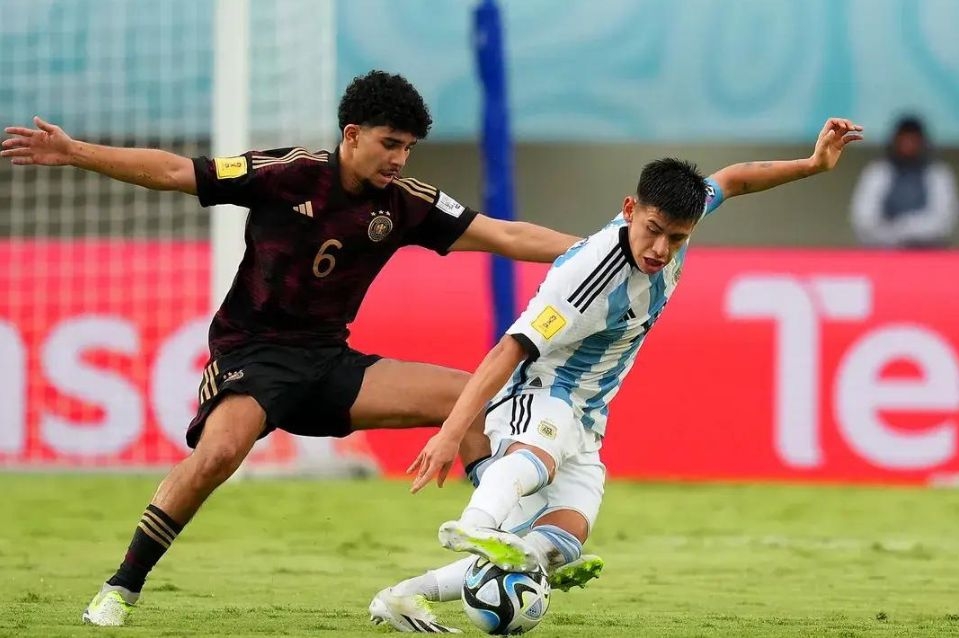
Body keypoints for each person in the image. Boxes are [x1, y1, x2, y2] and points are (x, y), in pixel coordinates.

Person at [1, 70, 580, 627]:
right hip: (253, 355)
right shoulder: (289, 174)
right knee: (219, 454)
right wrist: (75, 152)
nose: (400, 159)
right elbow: (177, 171)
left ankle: (518, 543)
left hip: (329, 363)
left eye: (408, 148)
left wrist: (608, 247)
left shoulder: (406, 202)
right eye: (390, 144)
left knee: (472, 400)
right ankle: (121, 587)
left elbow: (505, 234)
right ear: (351, 135)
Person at [369, 118, 864, 634]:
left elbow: (734, 179)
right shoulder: (587, 275)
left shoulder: (680, 215)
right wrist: (451, 434)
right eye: (653, 230)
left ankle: (404, 596)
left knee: (563, 539)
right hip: (542, 393)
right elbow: (507, 350)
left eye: (677, 237)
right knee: (542, 451)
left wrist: (812, 164)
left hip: (589, 415)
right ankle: (475, 525)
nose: (661, 249)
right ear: (630, 209)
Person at [850, 115, 958, 248]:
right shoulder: (877, 172)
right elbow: (864, 220)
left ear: (922, 143)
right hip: (883, 250)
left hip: (928, 251)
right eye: (904, 140)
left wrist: (907, 229)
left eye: (913, 140)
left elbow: (943, 222)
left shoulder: (938, 174)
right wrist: (893, 235)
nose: (908, 145)